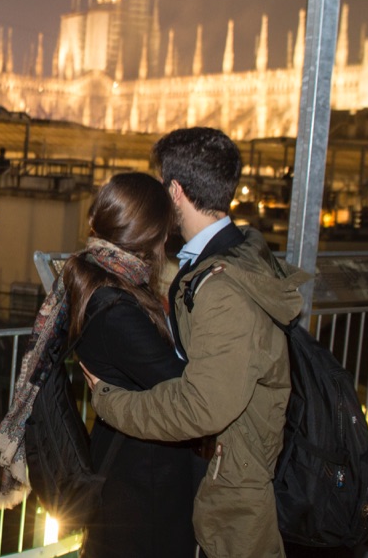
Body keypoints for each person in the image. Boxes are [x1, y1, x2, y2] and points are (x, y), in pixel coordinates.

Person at [81, 128, 310, 558]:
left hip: (232, 491)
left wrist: (109, 401)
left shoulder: (222, 289)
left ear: (175, 191)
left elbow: (200, 406)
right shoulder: (234, 254)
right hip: (224, 471)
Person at [69, 172, 198, 556]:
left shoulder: (102, 276)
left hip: (129, 467)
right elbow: (183, 387)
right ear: (151, 236)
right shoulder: (115, 308)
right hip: (142, 483)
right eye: (164, 232)